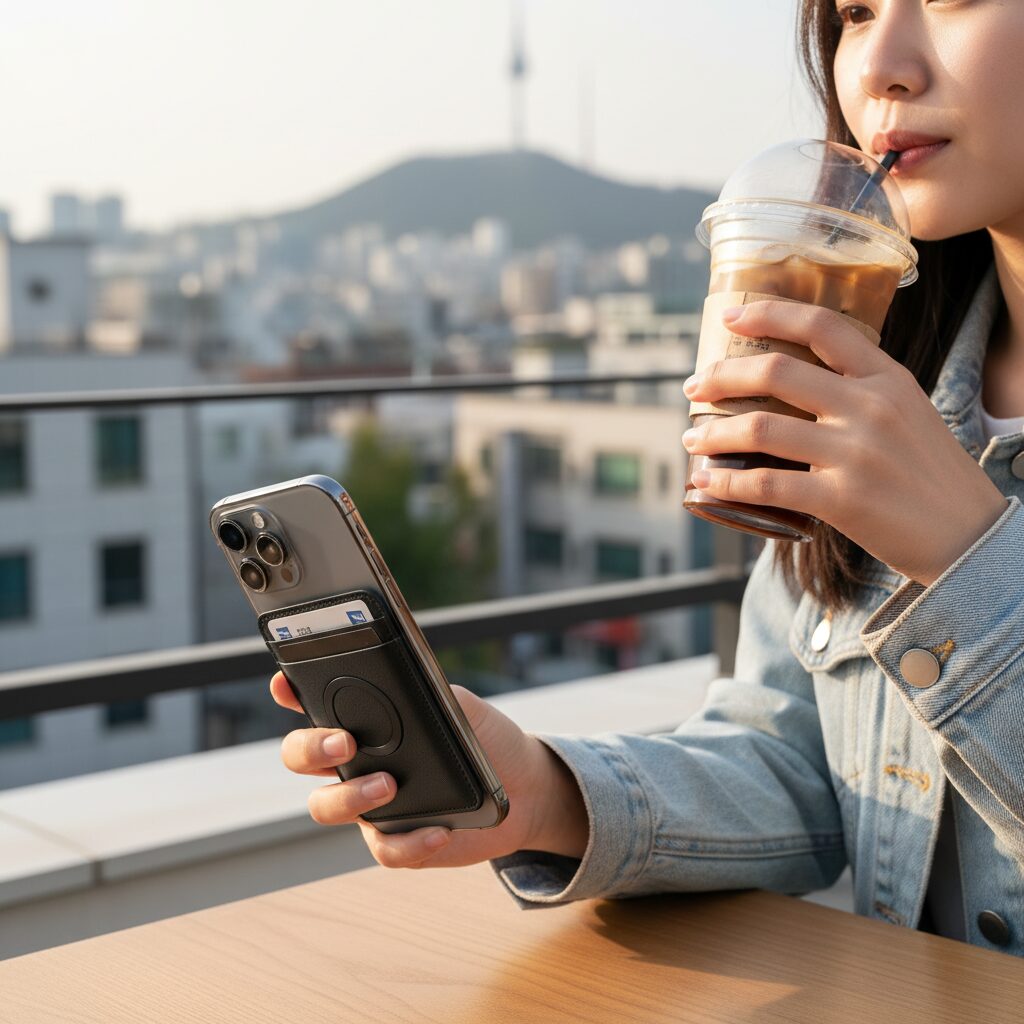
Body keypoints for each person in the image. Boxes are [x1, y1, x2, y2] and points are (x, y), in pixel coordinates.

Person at [269, 0, 1024, 957]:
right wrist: (542, 794)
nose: (881, 66)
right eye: (857, 14)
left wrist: (971, 565)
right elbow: (802, 764)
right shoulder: (883, 389)